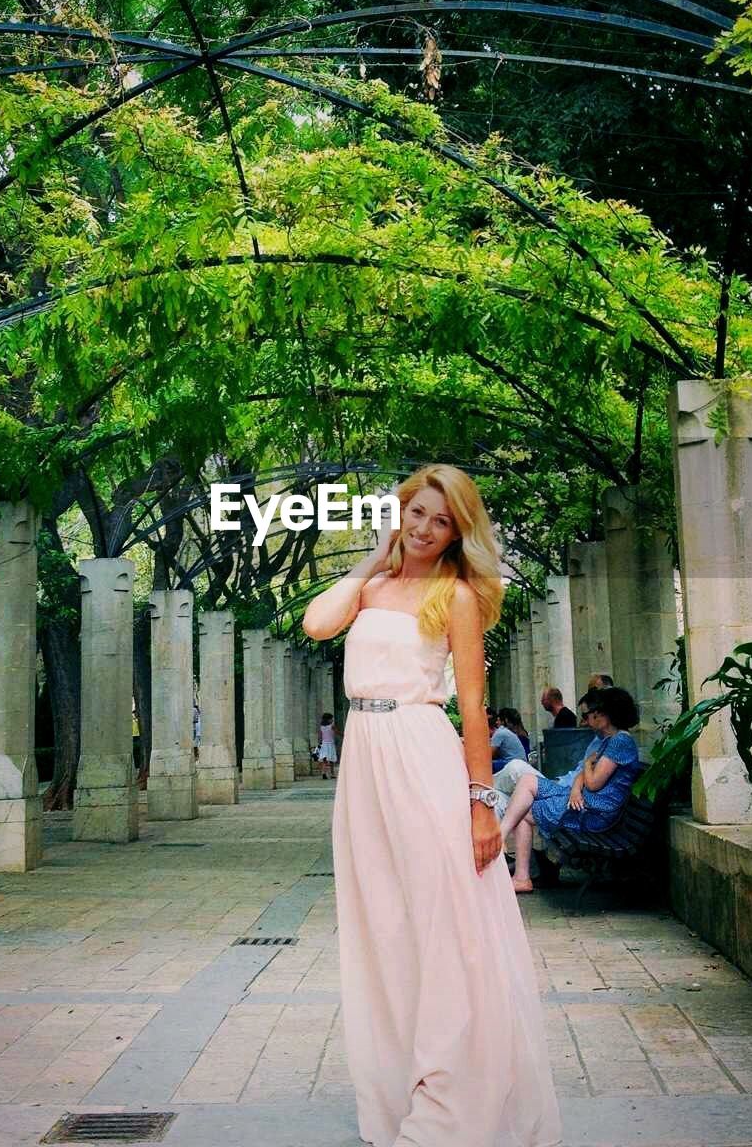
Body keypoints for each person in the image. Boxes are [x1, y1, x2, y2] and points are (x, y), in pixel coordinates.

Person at [302, 463, 561, 1147]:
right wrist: (372, 559)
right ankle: (397, 1088)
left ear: (457, 531)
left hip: (420, 750)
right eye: (415, 513)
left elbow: (472, 708)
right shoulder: (372, 587)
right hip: (364, 757)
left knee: (444, 925)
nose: (423, 528)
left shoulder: (458, 597)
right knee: (382, 925)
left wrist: (481, 805)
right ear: (399, 512)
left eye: (440, 520)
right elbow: (316, 623)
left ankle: (451, 1102)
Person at [500, 687, 642, 894]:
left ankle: (511, 856)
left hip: (597, 813)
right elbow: (582, 777)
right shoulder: (609, 740)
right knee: (528, 782)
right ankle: (517, 869)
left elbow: (593, 782)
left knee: (525, 806)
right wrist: (576, 788)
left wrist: (587, 765)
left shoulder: (620, 741)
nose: (588, 718)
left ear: (606, 714)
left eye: (592, 713)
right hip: (585, 802)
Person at [490, 707, 526, 771]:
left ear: (505, 720)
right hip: (522, 763)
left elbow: (489, 754)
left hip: (513, 764)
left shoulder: (500, 732)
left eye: (498, 720)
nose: (496, 722)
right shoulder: (509, 732)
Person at [317, 711, 340, 779]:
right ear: (328, 719)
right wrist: (344, 735)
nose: (332, 720)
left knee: (325, 760)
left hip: (324, 744)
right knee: (332, 760)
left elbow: (320, 736)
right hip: (330, 744)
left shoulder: (321, 727)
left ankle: (324, 772)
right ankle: (332, 773)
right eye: (331, 719)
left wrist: (320, 743)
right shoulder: (332, 726)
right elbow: (337, 732)